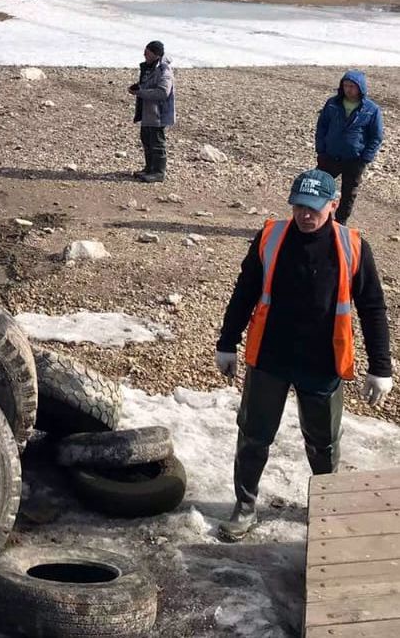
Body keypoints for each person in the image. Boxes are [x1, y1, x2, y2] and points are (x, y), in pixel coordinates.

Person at [214, 168, 392, 542]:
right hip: (270, 357)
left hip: (322, 363)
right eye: (298, 207)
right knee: (253, 435)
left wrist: (381, 367)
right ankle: (245, 506)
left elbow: (373, 307)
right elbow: (244, 290)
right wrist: (226, 342)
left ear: (334, 204)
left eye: (313, 208)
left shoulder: (353, 246)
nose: (305, 216)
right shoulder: (270, 237)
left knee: (323, 442)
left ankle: (325, 507)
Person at [315, 69, 384, 224]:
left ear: (360, 87)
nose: (348, 89)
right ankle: (318, 219)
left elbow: (376, 136)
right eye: (345, 85)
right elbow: (322, 126)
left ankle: (340, 224)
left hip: (354, 159)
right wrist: (321, 149)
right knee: (318, 187)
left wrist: (365, 158)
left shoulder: (372, 109)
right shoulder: (332, 103)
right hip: (330, 156)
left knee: (348, 194)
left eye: (352, 86)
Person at [128, 40, 175, 182]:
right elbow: (148, 85)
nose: (144, 55)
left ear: (155, 54)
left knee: (157, 143)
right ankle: (149, 168)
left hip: (158, 114)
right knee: (146, 140)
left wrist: (141, 92)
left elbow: (162, 93)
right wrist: (138, 87)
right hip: (148, 113)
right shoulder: (150, 68)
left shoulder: (164, 70)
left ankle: (159, 172)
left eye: (147, 52)